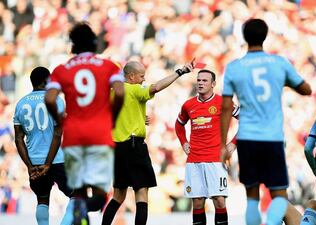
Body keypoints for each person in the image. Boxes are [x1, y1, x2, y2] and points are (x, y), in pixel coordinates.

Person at [220, 18, 312, 225]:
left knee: (252, 196)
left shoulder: (234, 67)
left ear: (244, 37)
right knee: (279, 195)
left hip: (246, 138)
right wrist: (286, 81)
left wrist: (222, 144)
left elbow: (226, 107)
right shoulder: (279, 63)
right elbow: (307, 89)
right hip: (272, 138)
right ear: (265, 36)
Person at [45, 22, 125, 225]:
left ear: (72, 45)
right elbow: (121, 92)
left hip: (73, 136)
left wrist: (60, 119)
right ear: (94, 42)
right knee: (99, 198)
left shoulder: (61, 70)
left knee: (78, 191)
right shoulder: (109, 66)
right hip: (100, 134)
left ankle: (80, 212)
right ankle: (86, 210)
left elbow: (50, 98)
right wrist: (112, 118)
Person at [101, 60, 194, 225]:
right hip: (133, 146)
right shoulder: (135, 89)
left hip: (117, 148)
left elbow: (114, 115)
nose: (144, 79)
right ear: (131, 76)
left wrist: (137, 118)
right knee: (142, 193)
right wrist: (180, 72)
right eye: (141, 76)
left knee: (118, 196)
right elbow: (156, 87)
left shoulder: (111, 92)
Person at [175, 69, 239, 225]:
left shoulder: (224, 102)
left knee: (219, 201)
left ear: (213, 84)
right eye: (199, 80)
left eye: (204, 80)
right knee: (197, 202)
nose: (200, 83)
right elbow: (179, 124)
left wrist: (233, 143)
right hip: (194, 159)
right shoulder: (188, 105)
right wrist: (184, 142)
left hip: (216, 159)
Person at [13, 66, 73, 225]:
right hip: (57, 159)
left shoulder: (21, 103)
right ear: (46, 80)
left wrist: (29, 165)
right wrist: (48, 163)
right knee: (76, 196)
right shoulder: (56, 100)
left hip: (34, 161)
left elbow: (19, 139)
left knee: (42, 200)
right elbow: (57, 133)